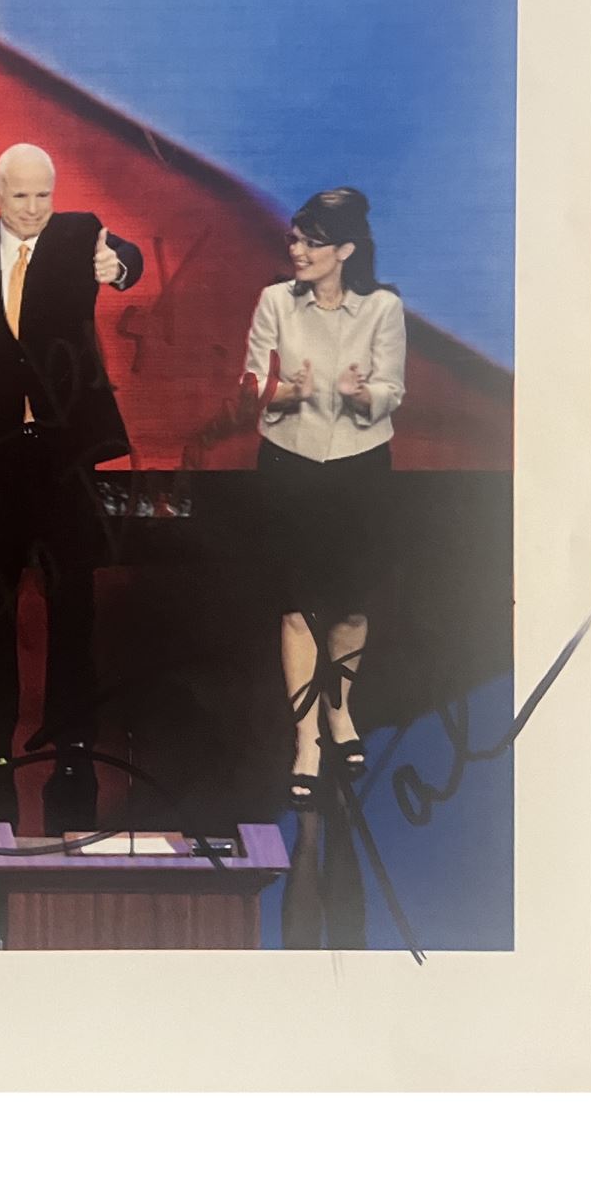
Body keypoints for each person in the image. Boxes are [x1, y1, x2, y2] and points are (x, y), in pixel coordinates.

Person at [0, 143, 143, 812]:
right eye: (21, 196)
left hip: (66, 456)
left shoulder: (77, 234)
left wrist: (120, 265)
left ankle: (73, 740)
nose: (35, 208)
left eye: (44, 194)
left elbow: (125, 256)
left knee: (73, 602)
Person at [243, 187, 405, 807]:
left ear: (345, 250)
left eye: (313, 242)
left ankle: (340, 712)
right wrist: (286, 393)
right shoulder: (274, 302)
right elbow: (251, 384)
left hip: (360, 468)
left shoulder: (382, 308)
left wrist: (363, 395)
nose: (298, 251)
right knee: (297, 607)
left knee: (351, 608)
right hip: (290, 465)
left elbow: (392, 390)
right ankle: (306, 738)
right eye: (295, 239)